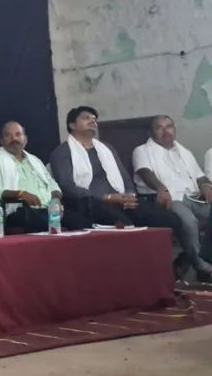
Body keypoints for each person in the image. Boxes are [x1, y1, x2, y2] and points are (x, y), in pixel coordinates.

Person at [50, 106, 193, 278]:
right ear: (72, 125)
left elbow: (124, 176)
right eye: (86, 118)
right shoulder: (63, 152)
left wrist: (130, 195)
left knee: (170, 219)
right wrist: (108, 197)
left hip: (122, 200)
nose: (92, 121)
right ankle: (139, 275)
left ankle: (172, 266)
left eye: (94, 119)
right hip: (91, 203)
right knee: (126, 226)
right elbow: (68, 186)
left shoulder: (106, 148)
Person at [132, 115, 212, 282]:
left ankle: (188, 256)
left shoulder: (184, 152)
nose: (166, 131)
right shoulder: (142, 151)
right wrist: (160, 188)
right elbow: (145, 172)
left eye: (169, 126)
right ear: (150, 133)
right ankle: (203, 268)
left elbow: (199, 175)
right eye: (159, 127)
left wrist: (206, 185)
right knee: (189, 221)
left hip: (193, 196)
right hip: (169, 199)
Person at [0, 121, 90, 232]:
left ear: (25, 139)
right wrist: (22, 194)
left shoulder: (35, 161)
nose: (14, 138)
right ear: (1, 141)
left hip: (48, 209)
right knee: (44, 223)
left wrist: (56, 197)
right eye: (8, 135)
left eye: (18, 134)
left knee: (83, 223)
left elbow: (51, 183)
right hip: (20, 210)